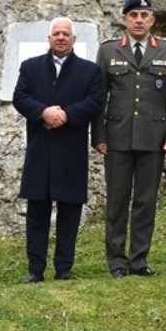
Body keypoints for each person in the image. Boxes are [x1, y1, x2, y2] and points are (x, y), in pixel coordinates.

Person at [93, 0, 166, 277]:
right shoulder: (108, 52)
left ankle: (139, 259)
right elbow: (99, 98)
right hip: (117, 136)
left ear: (153, 20)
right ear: (124, 19)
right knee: (117, 200)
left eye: (144, 15)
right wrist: (98, 135)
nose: (139, 20)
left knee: (145, 200)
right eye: (133, 15)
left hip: (153, 137)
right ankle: (117, 261)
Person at [12, 16, 104, 282]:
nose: (61, 38)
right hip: (40, 149)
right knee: (37, 213)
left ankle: (64, 269)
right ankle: (35, 269)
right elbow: (20, 97)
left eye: (66, 34)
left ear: (74, 40)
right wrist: (43, 112)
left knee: (69, 212)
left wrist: (66, 114)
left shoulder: (90, 71)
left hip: (71, 151)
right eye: (56, 34)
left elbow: (95, 100)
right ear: (49, 38)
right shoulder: (30, 67)